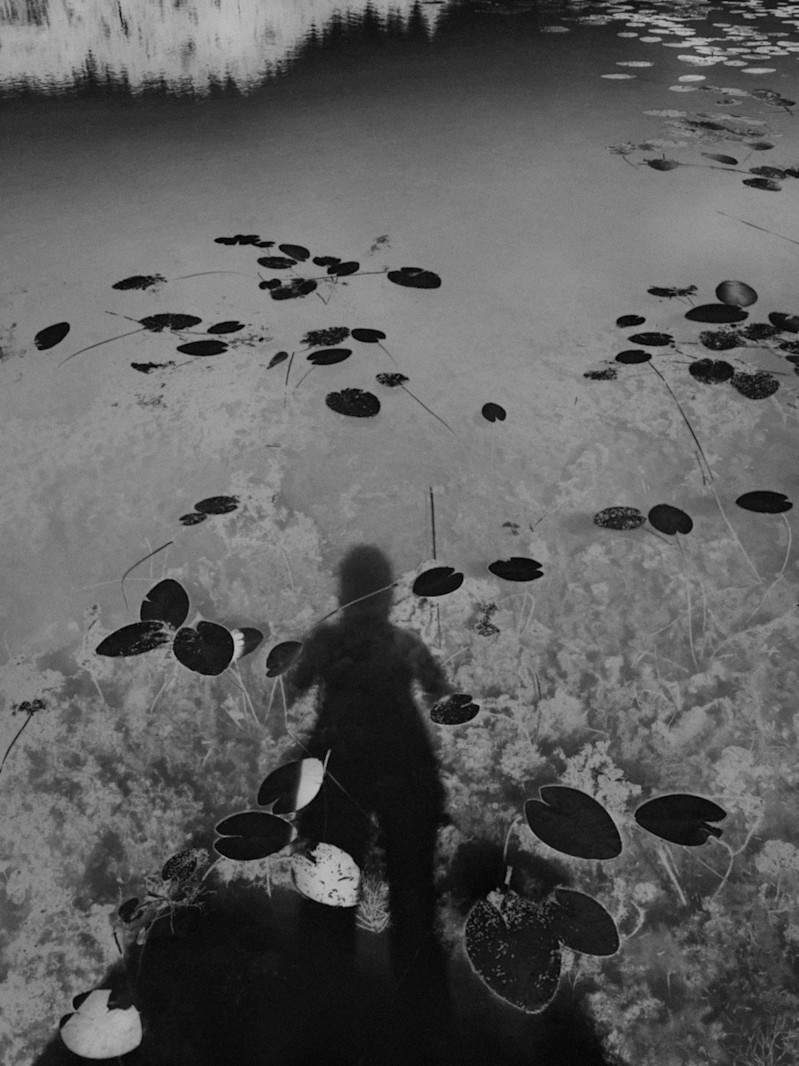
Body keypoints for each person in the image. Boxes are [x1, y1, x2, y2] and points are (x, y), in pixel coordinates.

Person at [283, 545, 454, 1053]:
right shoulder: (404, 643)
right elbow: (440, 693)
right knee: (414, 896)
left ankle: (327, 1013)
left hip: (340, 768)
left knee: (329, 895)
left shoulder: (326, 641)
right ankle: (424, 1023)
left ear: (342, 594)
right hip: (407, 769)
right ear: (389, 595)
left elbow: (292, 687)